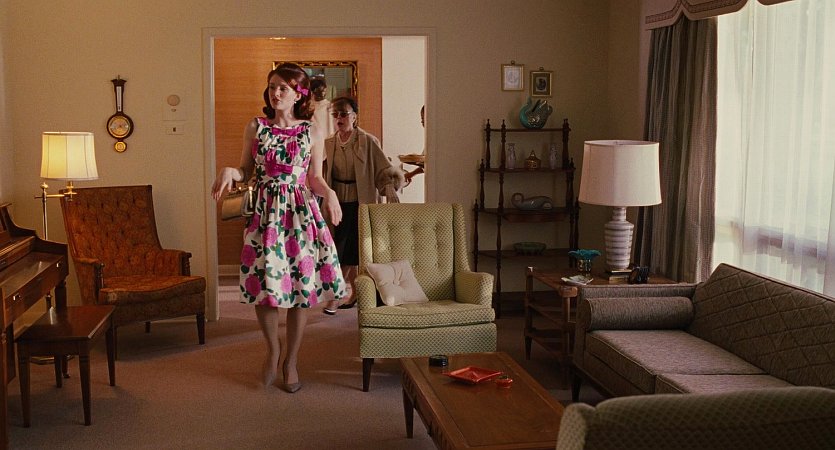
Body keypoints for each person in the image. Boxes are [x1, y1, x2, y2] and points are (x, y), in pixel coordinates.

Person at [211, 63, 347, 393]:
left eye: (283, 87)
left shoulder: (311, 130)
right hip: (265, 216)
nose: (276, 92)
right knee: (265, 287)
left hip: (300, 215)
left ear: (299, 94)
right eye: (272, 86)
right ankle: (273, 350)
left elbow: (315, 178)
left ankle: (292, 360)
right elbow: (245, 170)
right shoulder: (256, 127)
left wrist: (329, 194)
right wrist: (230, 170)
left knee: (301, 288)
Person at [322, 96, 404, 315]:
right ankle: (354, 293)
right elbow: (321, 171)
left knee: (349, 251)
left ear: (354, 117)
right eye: (335, 114)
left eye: (344, 114)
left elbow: (383, 168)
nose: (339, 118)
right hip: (337, 204)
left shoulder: (367, 141)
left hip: (360, 201)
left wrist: (389, 186)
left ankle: (336, 297)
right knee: (339, 250)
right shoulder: (329, 143)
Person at [310, 75, 335, 139]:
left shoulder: (331, 106)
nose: (322, 93)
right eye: (319, 91)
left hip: (328, 138)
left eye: (324, 91)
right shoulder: (307, 106)